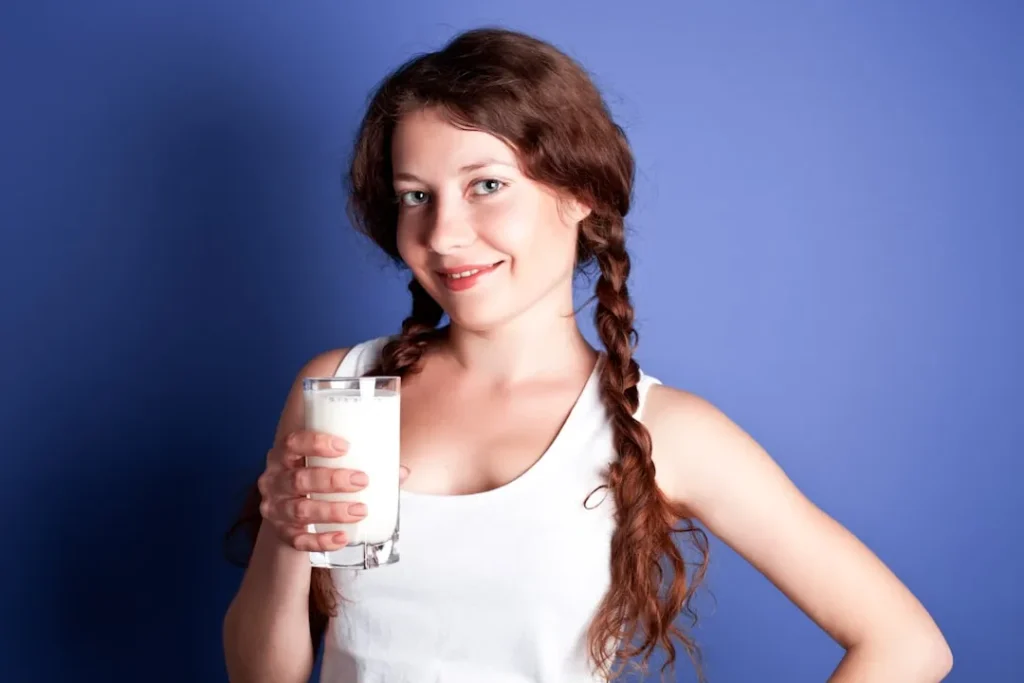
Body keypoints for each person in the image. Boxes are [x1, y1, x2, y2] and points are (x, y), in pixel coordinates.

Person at [222, 27, 952, 683]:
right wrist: (288, 537)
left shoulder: (666, 430)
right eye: (416, 195)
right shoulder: (341, 389)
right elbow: (261, 675)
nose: (443, 234)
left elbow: (906, 644)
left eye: (486, 185)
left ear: (581, 193)